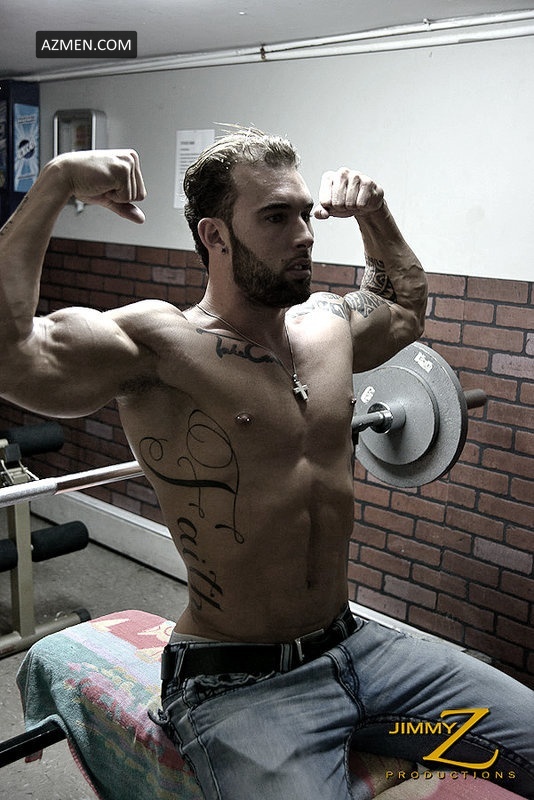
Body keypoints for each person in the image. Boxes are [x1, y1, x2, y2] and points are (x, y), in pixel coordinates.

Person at [0, 129, 532, 800]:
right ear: (215, 235)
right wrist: (52, 183)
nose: (305, 235)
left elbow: (404, 308)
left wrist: (375, 212)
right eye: (277, 217)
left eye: (306, 213)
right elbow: (12, 355)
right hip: (237, 680)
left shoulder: (328, 325)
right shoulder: (160, 344)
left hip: (357, 646)